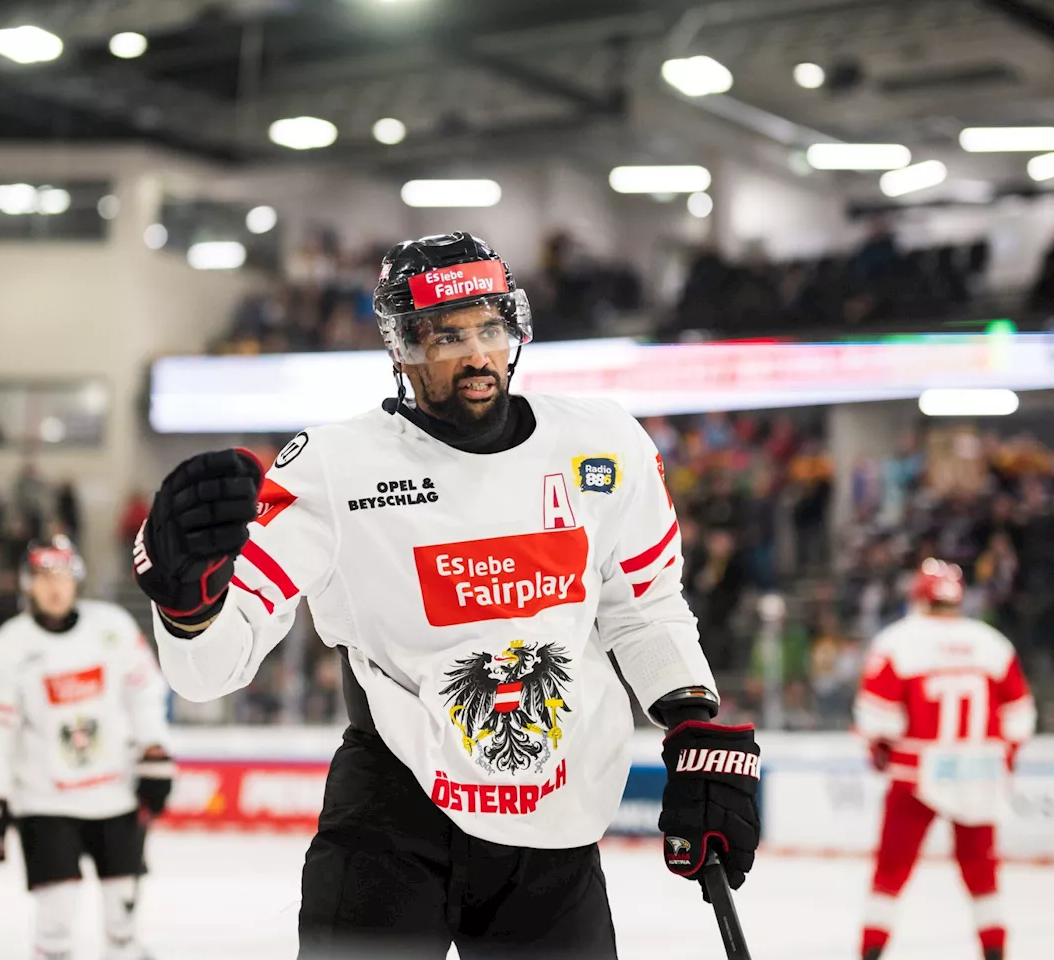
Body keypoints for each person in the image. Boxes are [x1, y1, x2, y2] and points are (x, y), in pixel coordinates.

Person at [133, 232, 762, 959]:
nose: (475, 355)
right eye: (446, 335)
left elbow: (644, 604)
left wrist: (690, 724)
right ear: (401, 347)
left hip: (555, 823)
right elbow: (210, 670)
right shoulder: (334, 468)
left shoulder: (602, 445)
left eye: (490, 328)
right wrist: (188, 604)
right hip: (391, 817)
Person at [0, 536, 174, 960]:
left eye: (62, 575)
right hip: (44, 801)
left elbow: (145, 692)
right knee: (55, 924)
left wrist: (154, 750)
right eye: (44, 576)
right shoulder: (8, 646)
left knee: (123, 924)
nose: (54, 586)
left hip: (115, 795)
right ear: (28, 583)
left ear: (76, 579)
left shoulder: (111, 627)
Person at [854, 558, 1036, 960]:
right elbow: (1020, 717)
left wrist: (880, 751)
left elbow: (876, 717)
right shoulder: (992, 642)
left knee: (891, 872)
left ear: (918, 597)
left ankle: (872, 951)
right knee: (983, 874)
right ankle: (994, 950)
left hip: (916, 772)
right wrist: (1002, 758)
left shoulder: (899, 640)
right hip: (981, 772)